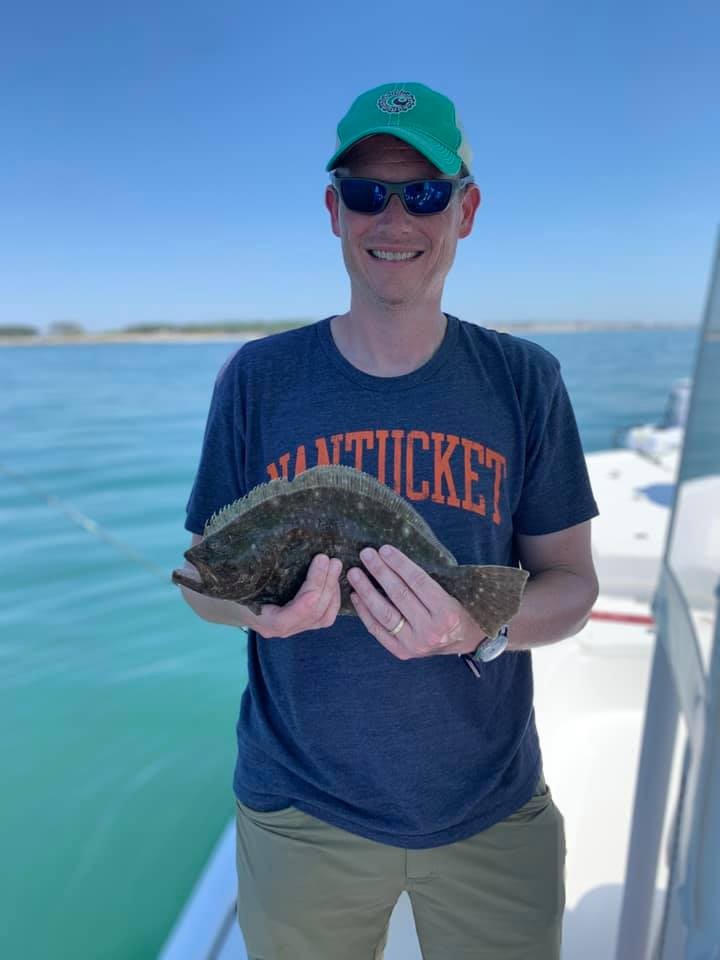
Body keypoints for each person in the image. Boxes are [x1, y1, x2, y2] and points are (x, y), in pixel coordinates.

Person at [176, 81, 599, 960]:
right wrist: (261, 613)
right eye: (368, 192)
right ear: (335, 211)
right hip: (300, 814)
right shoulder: (256, 378)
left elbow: (573, 585)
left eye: (425, 192)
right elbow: (202, 584)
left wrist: (476, 625)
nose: (394, 218)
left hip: (492, 806)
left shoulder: (525, 379)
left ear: (466, 210)